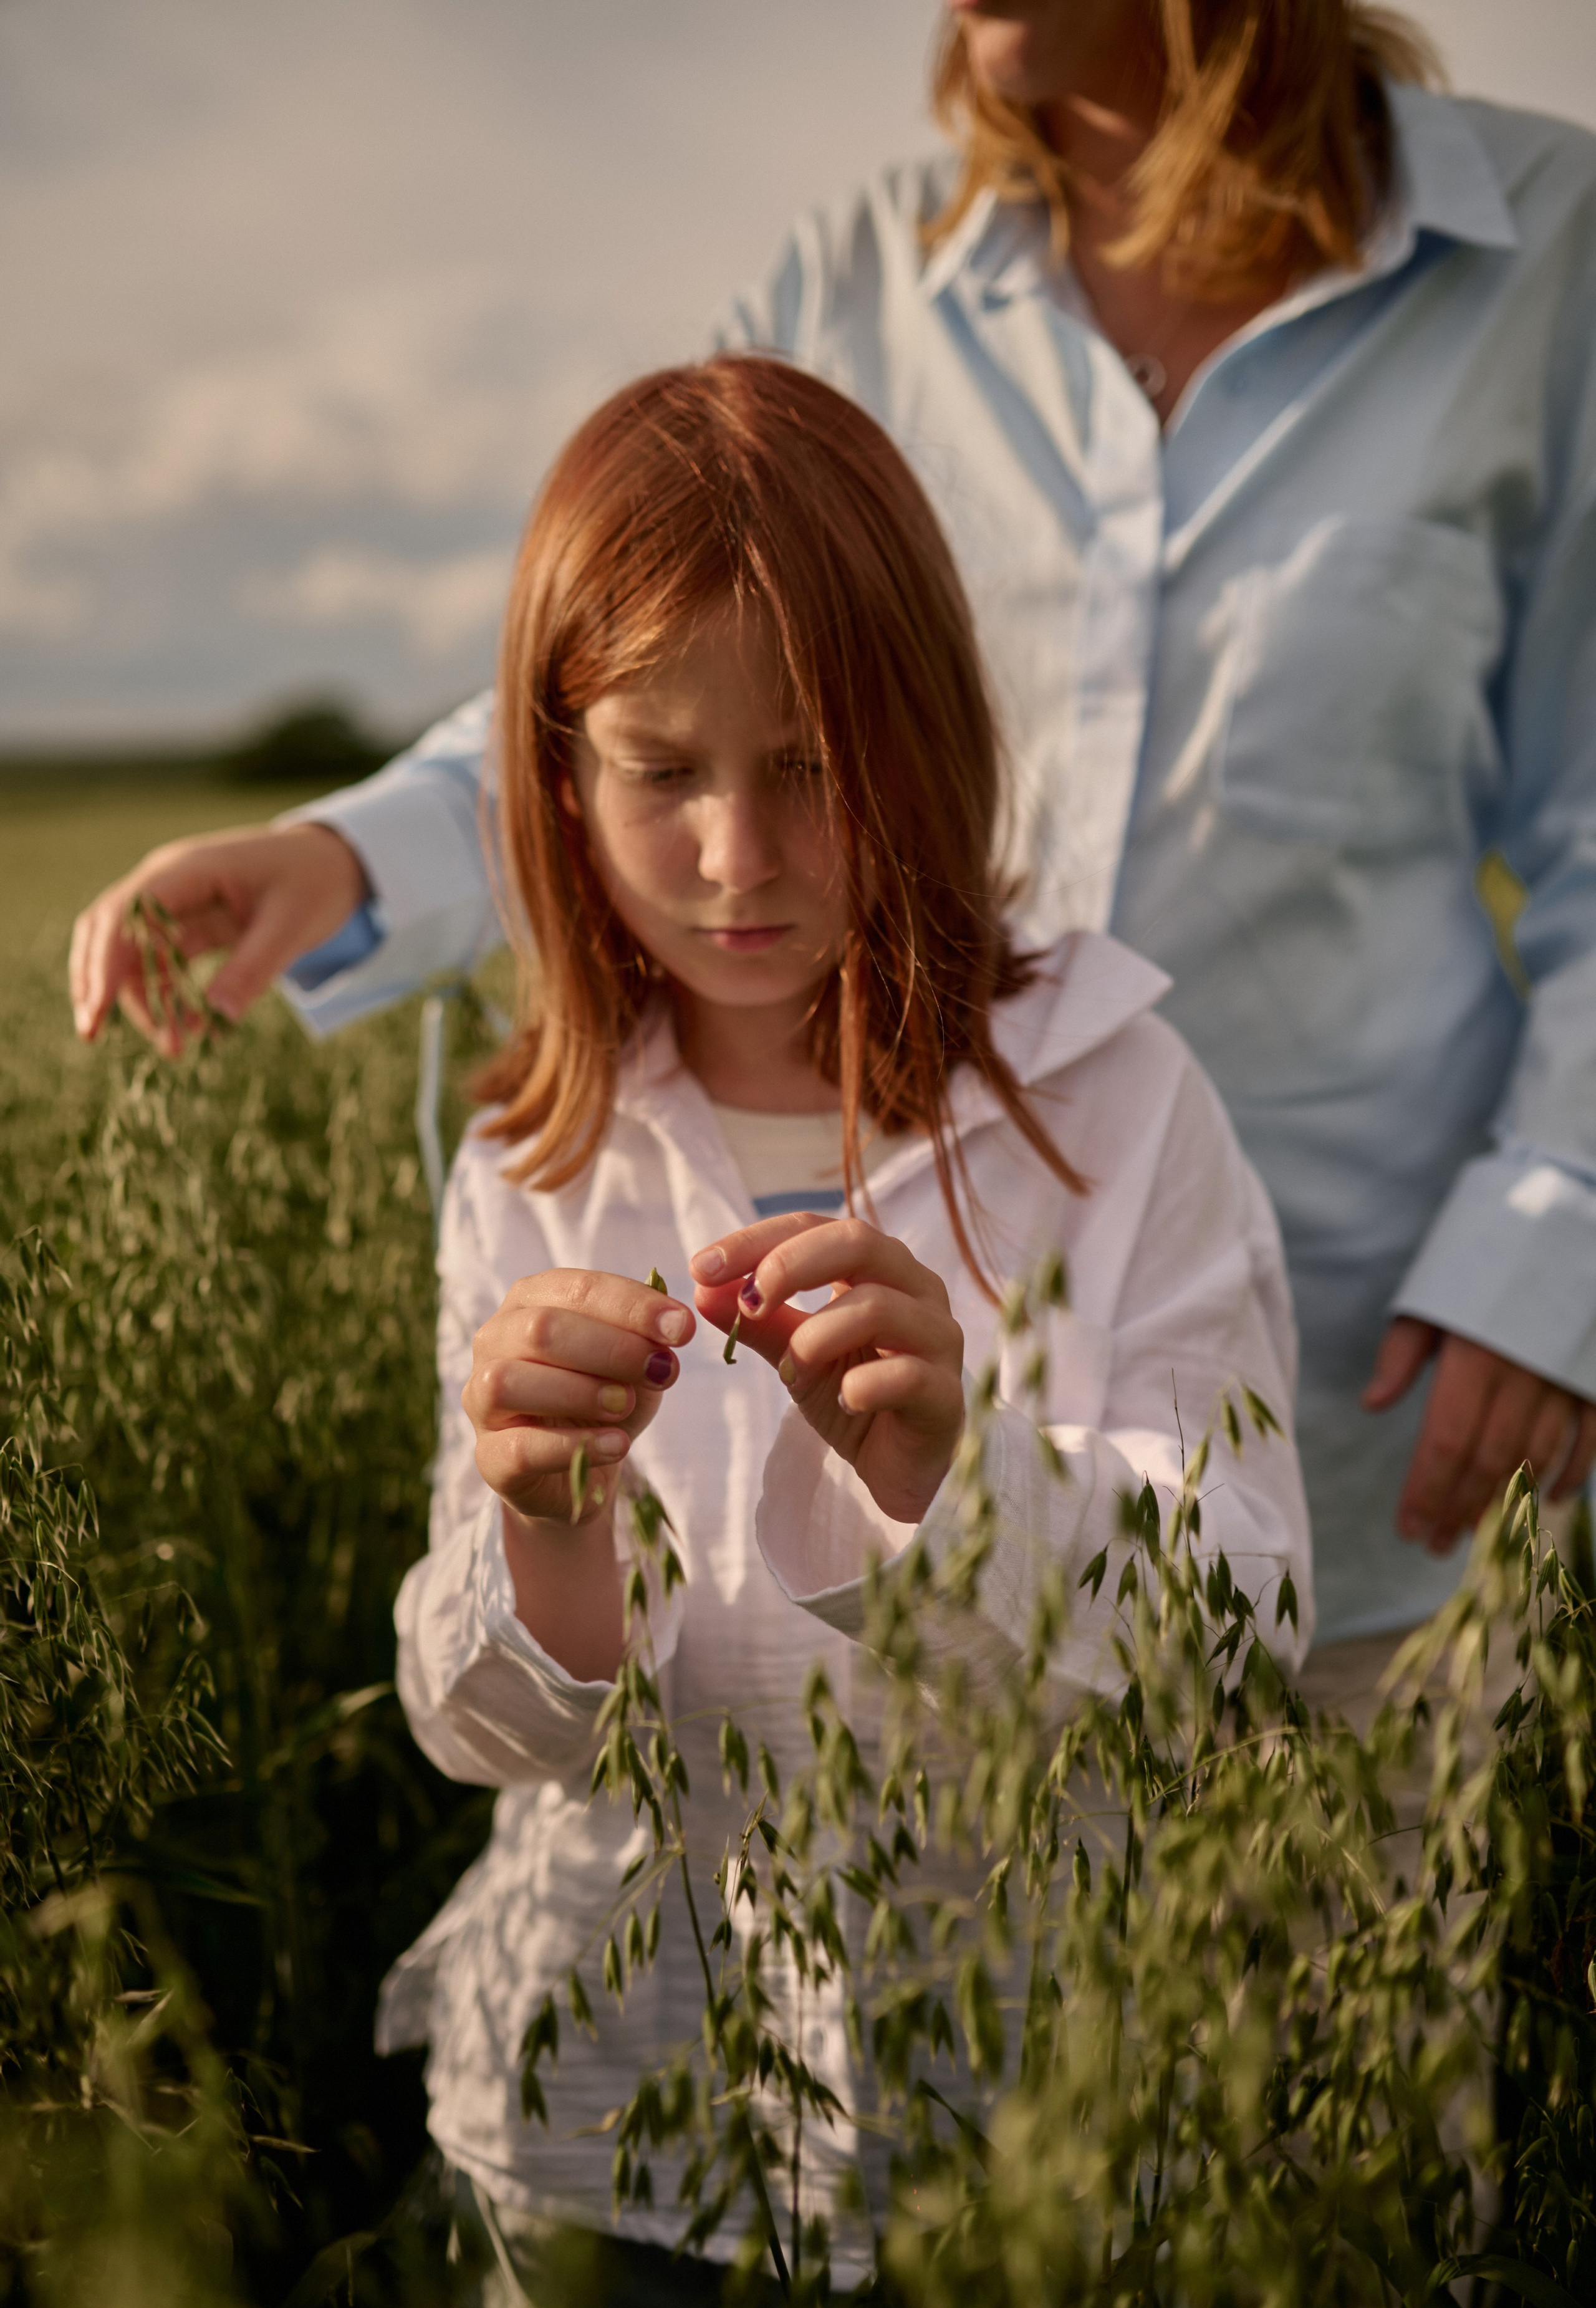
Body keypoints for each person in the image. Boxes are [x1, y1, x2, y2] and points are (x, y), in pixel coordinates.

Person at [69, 0, 1596, 1681]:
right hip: (882, 1464)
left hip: (1392, 1393)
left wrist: (1558, 1233)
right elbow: (654, 681)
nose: (745, 851)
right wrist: (357, 860)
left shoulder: (1553, 261)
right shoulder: (857, 280)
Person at [375, 354, 1310, 2308]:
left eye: (808, 763)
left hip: (1032, 2142)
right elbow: (487, 1730)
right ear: (557, 777)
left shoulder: (1119, 1103)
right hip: (606, 2136)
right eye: (662, 769)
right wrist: (544, 1528)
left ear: (928, 741)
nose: (738, 855)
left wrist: (956, 1481)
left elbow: (1241, 1638)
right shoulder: (535, 1156)